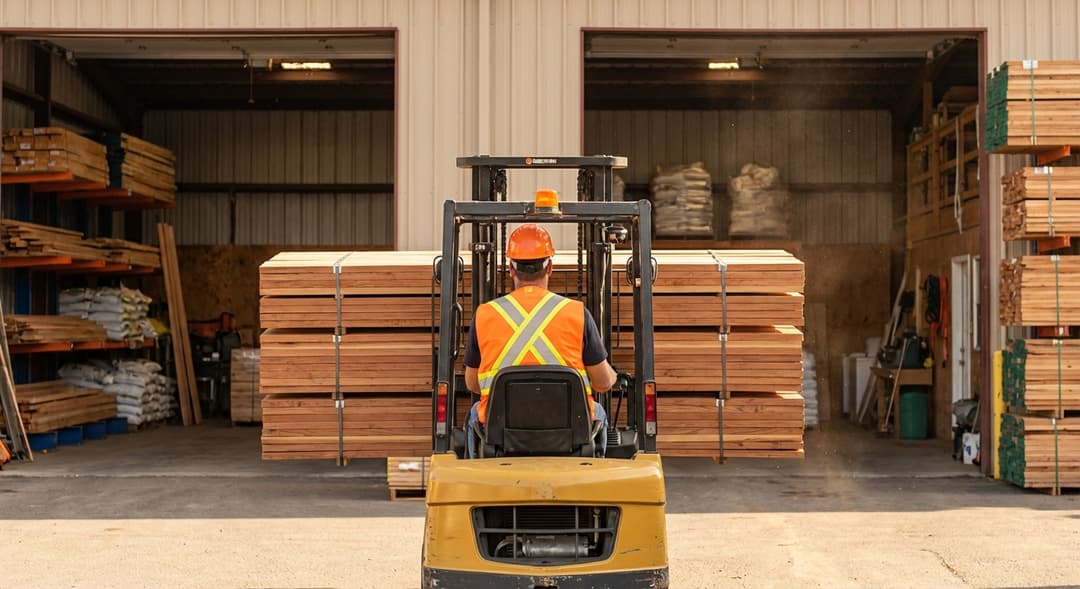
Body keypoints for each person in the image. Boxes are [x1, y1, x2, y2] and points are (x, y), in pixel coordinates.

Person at [464, 220, 617, 458]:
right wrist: (612, 374)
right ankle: (590, 472)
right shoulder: (576, 313)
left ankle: (480, 477)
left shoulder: (485, 315)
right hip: (568, 435)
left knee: (476, 412)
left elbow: (473, 384)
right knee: (599, 412)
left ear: (511, 269)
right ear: (550, 268)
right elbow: (603, 383)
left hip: (502, 435)